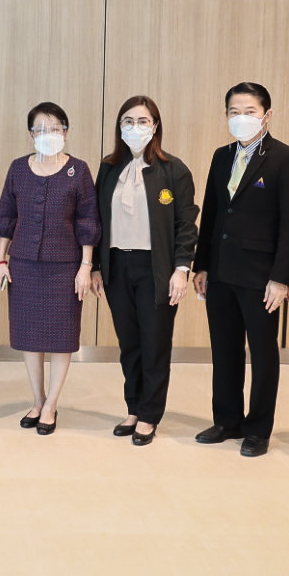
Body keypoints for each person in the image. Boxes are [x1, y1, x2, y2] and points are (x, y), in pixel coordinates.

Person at [192, 81, 289, 457]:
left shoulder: (286, 159)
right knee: (224, 349)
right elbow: (211, 213)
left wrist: (282, 277)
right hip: (221, 271)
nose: (241, 118)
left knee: (262, 353)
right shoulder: (221, 156)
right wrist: (202, 266)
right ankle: (227, 420)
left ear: (266, 115)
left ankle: (258, 428)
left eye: (249, 111)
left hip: (261, 276)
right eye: (234, 112)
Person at [90, 95, 197, 445]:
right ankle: (134, 408)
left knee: (155, 344)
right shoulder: (108, 168)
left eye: (143, 121)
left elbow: (186, 224)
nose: (135, 128)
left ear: (155, 126)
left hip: (157, 268)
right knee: (130, 344)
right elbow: (95, 220)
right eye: (128, 121)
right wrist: (94, 267)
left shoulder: (174, 170)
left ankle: (150, 414)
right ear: (119, 127)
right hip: (117, 265)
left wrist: (181, 269)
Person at [0, 102, 100, 435]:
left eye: (54, 128)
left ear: (65, 131)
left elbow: (88, 221)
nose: (47, 134)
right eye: (40, 129)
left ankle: (51, 404)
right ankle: (37, 401)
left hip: (65, 267)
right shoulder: (18, 168)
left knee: (61, 339)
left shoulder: (78, 170)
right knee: (30, 338)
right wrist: (1, 260)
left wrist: (85, 266)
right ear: (31, 134)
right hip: (24, 265)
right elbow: (6, 217)